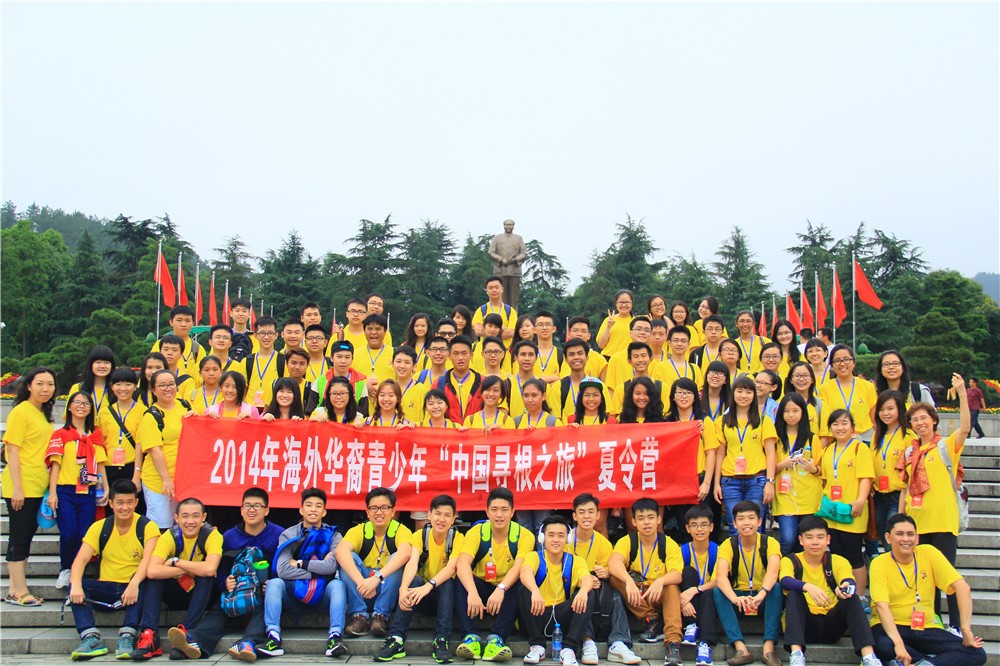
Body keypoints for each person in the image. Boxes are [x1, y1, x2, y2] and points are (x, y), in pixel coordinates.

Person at [169, 487, 285, 661]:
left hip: (263, 592)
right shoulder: (230, 536)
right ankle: (193, 641)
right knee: (219, 609)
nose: (252, 510)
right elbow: (220, 569)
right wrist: (225, 582)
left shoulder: (278, 534)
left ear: (266, 510)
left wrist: (273, 583)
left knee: (266, 605)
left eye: (257, 506)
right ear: (241, 510)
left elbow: (284, 566)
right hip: (236, 591)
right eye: (247, 506)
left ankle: (247, 643)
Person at [897, 373, 970, 629]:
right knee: (925, 578)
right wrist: (901, 520)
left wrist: (962, 394)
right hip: (917, 523)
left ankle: (957, 627)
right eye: (915, 419)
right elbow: (905, 487)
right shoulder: (910, 451)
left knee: (947, 577)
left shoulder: (945, 446)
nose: (919, 423)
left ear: (934, 420)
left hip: (942, 521)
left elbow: (965, 429)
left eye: (924, 418)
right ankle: (934, 623)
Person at [869, 514, 986, 666]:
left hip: (926, 627)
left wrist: (965, 630)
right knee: (883, 646)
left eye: (910, 534)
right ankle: (931, 660)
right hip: (891, 627)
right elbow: (881, 606)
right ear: (888, 538)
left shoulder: (928, 553)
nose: (906, 539)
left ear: (917, 538)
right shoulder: (879, 563)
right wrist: (898, 643)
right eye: (899, 534)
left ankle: (923, 663)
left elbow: (962, 587)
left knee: (976, 652)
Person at [68, 480, 160, 661]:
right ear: (111, 503)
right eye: (120, 503)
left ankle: (127, 635)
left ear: (136, 502)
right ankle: (90, 637)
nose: (125, 507)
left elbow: (148, 560)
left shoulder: (148, 527)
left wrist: (134, 584)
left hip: (134, 588)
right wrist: (76, 585)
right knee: (76, 583)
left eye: (129, 502)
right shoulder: (99, 527)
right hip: (108, 587)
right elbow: (80, 560)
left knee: (146, 580)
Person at [780, 516, 883, 666]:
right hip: (803, 626)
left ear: (828, 539)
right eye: (809, 537)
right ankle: (796, 655)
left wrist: (844, 589)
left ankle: (869, 656)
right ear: (801, 540)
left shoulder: (838, 560)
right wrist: (808, 586)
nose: (815, 542)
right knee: (794, 594)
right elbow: (784, 580)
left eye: (820, 537)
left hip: (831, 625)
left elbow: (849, 581)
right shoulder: (790, 560)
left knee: (852, 598)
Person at [376, 494, 464, 664]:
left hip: (444, 598)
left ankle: (441, 640)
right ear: (429, 515)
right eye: (438, 514)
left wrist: (429, 585)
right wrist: (403, 589)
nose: (442, 519)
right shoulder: (420, 535)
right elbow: (412, 563)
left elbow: (452, 567)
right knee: (413, 581)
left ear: (454, 518)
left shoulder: (458, 538)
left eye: (447, 515)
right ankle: (397, 638)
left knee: (447, 583)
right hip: (420, 597)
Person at [261, 487, 347, 658]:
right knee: (274, 583)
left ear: (324, 511)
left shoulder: (334, 535)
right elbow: (282, 570)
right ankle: (273, 637)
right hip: (292, 594)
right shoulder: (288, 534)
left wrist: (301, 564)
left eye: (318, 506)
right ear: (301, 510)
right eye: (309, 505)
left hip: (322, 595)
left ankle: (335, 637)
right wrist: (319, 570)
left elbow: (331, 567)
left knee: (338, 585)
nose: (313, 509)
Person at [455, 487, 534, 662]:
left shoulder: (525, 536)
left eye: (504, 510)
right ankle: (470, 638)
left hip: (506, 591)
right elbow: (462, 563)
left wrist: (501, 588)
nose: (499, 515)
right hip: (481, 589)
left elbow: (519, 567)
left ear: (512, 512)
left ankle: (497, 639)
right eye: (494, 509)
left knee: (522, 581)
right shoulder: (476, 532)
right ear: (487, 512)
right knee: (460, 578)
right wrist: (472, 592)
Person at [139, 498, 223, 660]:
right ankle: (150, 635)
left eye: (195, 516)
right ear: (176, 518)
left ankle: (186, 634)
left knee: (206, 576)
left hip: (203, 595)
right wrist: (189, 568)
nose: (190, 521)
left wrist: (176, 562)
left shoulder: (212, 535)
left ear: (204, 517)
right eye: (185, 516)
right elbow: (152, 571)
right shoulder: (169, 536)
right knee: (154, 579)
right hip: (178, 593)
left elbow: (210, 568)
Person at [607, 498, 684, 666]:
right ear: (634, 521)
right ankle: (651, 620)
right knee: (615, 579)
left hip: (658, 593)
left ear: (658, 519)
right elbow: (613, 563)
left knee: (671, 587)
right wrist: (628, 581)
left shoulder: (668, 543)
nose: (646, 522)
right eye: (641, 518)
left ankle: (673, 643)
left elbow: (677, 574)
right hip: (638, 593)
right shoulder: (628, 540)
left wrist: (660, 581)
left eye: (650, 517)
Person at [566, 494, 640, 665]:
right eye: (582, 512)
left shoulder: (603, 543)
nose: (586, 516)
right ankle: (587, 641)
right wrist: (584, 580)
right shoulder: (565, 539)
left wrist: (606, 573)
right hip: (570, 590)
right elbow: (558, 569)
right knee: (584, 592)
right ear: (574, 516)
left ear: (598, 515)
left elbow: (610, 568)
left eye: (591, 512)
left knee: (615, 592)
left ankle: (619, 642)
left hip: (598, 590)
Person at [46, 391, 109, 589]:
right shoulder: (61, 435)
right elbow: (55, 465)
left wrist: (105, 487)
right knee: (69, 533)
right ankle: (66, 569)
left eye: (86, 403)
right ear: (70, 407)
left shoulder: (94, 434)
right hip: (66, 491)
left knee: (85, 534)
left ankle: (77, 571)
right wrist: (53, 493)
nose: (82, 406)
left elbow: (100, 463)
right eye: (77, 402)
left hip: (88, 491)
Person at [712, 500, 783, 666]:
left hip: (762, 597)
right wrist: (735, 598)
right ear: (735, 523)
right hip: (739, 599)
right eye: (741, 518)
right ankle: (741, 648)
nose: (746, 523)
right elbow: (721, 577)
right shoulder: (728, 545)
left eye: (751, 518)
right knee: (718, 591)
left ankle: (768, 649)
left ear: (759, 521)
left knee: (776, 588)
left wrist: (761, 594)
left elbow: (773, 573)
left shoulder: (770, 543)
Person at [336, 487, 412, 637]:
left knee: (397, 558)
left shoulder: (401, 531)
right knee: (348, 557)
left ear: (393, 511)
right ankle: (359, 616)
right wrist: (362, 582)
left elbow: (405, 553)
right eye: (374, 508)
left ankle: (380, 617)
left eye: (384, 507)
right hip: (363, 590)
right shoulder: (359, 530)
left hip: (387, 589)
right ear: (367, 512)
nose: (379, 512)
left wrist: (377, 578)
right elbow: (340, 551)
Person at [519, 515, 594, 666]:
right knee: (524, 589)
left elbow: (587, 578)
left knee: (588, 593)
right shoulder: (535, 557)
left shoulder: (575, 561)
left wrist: (583, 591)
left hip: (561, 618)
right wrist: (535, 591)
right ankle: (537, 646)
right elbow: (525, 572)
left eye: (560, 535)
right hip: (536, 613)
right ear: (542, 538)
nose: (555, 540)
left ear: (568, 539)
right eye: (551, 535)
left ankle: (569, 649)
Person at [820, 409, 875, 599]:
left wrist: (860, 500)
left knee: (854, 555)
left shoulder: (860, 448)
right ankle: (843, 593)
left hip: (853, 510)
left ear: (852, 427)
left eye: (844, 423)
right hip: (832, 513)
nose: (840, 427)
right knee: (837, 554)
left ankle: (859, 597)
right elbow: (826, 480)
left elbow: (866, 477)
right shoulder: (828, 450)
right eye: (835, 424)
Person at [713, 375, 777, 535]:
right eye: (739, 391)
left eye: (748, 392)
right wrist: (716, 484)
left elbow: (770, 453)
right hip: (730, 481)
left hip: (757, 480)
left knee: (755, 529)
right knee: (735, 528)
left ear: (754, 395)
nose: (743, 396)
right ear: (733, 393)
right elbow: (720, 454)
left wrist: (770, 482)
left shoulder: (764, 420)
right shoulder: (722, 421)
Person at [138, 369, 192, 529]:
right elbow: (154, 450)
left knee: (184, 526)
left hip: (183, 480)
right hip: (159, 482)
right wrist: (166, 479)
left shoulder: (184, 406)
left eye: (171, 384)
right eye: (162, 385)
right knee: (161, 526)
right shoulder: (151, 416)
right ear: (153, 390)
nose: (168, 388)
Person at [771, 393, 823, 556]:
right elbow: (767, 468)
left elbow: (822, 469)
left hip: (808, 496)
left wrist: (813, 469)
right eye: (787, 411)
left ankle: (799, 570)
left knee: (804, 541)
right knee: (787, 538)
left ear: (803, 412)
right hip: (784, 496)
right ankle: (781, 568)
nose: (791, 415)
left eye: (795, 410)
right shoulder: (775, 438)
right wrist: (782, 465)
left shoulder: (812, 438)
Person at [870, 391, 914, 550]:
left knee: (895, 541)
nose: (885, 413)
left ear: (900, 409)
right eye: (881, 409)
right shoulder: (877, 435)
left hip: (898, 496)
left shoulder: (908, 436)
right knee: (885, 539)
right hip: (878, 495)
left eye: (890, 409)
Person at [677, 505, 719, 666]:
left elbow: (719, 580)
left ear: (711, 527)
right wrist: (684, 601)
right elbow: (675, 579)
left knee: (709, 593)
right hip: (687, 601)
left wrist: (695, 590)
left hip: (708, 597)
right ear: (687, 528)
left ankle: (705, 644)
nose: (699, 529)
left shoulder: (718, 551)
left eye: (703, 525)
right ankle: (691, 625)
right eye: (694, 525)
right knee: (688, 572)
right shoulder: (682, 551)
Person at [98, 367, 144, 505]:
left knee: (132, 507)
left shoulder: (143, 411)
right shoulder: (104, 413)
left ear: (135, 387)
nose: (123, 388)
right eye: (118, 384)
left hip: (131, 467)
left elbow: (140, 444)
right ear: (112, 386)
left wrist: (137, 475)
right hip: (109, 468)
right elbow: (100, 444)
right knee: (110, 508)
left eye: (128, 384)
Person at [818, 345, 877, 444]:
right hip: (838, 440)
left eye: (846, 359)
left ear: (853, 362)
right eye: (837, 361)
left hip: (866, 439)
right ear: (832, 365)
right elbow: (825, 421)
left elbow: (874, 419)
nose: (842, 364)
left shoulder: (867, 386)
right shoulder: (824, 389)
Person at [436, 335, 485, 424]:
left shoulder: (483, 382)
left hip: (476, 430)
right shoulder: (439, 384)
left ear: (471, 355)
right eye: (456, 353)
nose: (460, 358)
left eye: (464, 353)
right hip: (449, 431)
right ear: (449, 356)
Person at [151, 306, 207, 378]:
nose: (183, 324)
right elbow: (151, 368)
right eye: (179, 320)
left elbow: (202, 375)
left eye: (187, 321)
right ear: (171, 322)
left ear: (193, 323)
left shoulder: (197, 348)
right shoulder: (160, 344)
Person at [245, 316, 286, 409]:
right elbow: (242, 389)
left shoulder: (283, 361)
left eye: (270, 333)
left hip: (273, 410)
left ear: (276, 335)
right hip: (250, 411)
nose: (266, 337)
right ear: (255, 335)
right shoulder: (247, 361)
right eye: (262, 333)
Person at [604, 317, 654, 390]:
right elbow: (610, 389)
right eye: (638, 329)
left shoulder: (654, 360)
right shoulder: (616, 359)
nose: (642, 332)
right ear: (630, 333)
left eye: (646, 330)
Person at [487, 220, 527, 308]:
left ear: (513, 226)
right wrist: (501, 260)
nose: (508, 226)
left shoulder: (518, 238)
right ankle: (500, 313)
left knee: (514, 297)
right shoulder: (497, 238)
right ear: (504, 226)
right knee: (500, 295)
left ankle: (514, 314)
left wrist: (515, 260)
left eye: (510, 225)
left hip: (514, 271)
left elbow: (523, 253)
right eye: (507, 225)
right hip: (500, 270)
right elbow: (491, 252)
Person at [70, 345, 116, 414]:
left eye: (106, 362)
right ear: (91, 365)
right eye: (98, 362)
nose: (102, 366)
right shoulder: (77, 388)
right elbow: (69, 415)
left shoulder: (117, 390)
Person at [472, 276, 518, 341]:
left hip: (505, 347)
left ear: (502, 289)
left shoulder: (510, 311)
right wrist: (503, 328)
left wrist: (487, 329)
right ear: (487, 291)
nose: (494, 290)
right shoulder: (481, 310)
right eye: (491, 288)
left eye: (496, 287)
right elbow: (478, 331)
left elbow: (512, 332)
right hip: (485, 347)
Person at [353, 313, 394, 385]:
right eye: (370, 329)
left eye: (378, 329)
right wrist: (364, 387)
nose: (373, 332)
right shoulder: (353, 355)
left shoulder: (395, 354)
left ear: (385, 331)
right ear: (364, 331)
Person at [783, 361, 824, 435]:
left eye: (806, 375)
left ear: (812, 379)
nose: (801, 379)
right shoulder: (782, 404)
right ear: (791, 380)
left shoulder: (820, 405)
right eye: (797, 376)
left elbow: (825, 436)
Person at [659, 326, 703, 391]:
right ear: (669, 343)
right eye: (676, 340)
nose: (679, 344)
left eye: (683, 341)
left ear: (689, 344)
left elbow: (699, 392)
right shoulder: (660, 367)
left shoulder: (695, 369)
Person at [393, 346, 429, 424]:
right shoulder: (387, 389)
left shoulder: (422, 390)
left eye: (407, 362)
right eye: (398, 361)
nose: (402, 366)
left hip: (414, 431)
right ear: (392, 363)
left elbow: (427, 421)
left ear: (414, 366)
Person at [596, 290, 636, 358]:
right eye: (621, 302)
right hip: (608, 358)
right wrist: (608, 327)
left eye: (627, 302)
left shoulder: (636, 322)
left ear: (632, 304)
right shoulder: (608, 320)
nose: (624, 305)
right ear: (616, 304)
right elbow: (601, 345)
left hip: (628, 359)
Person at [532, 311, 567, 382]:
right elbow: (524, 380)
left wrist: (536, 380)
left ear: (554, 329)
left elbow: (564, 381)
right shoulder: (529, 354)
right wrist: (554, 378)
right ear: (534, 330)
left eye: (548, 324)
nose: (544, 328)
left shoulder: (562, 355)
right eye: (540, 324)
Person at [733, 310, 769, 374]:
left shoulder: (765, 342)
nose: (745, 324)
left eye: (748, 321)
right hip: (740, 378)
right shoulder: (733, 344)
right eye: (742, 321)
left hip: (761, 378)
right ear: (736, 324)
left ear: (753, 323)